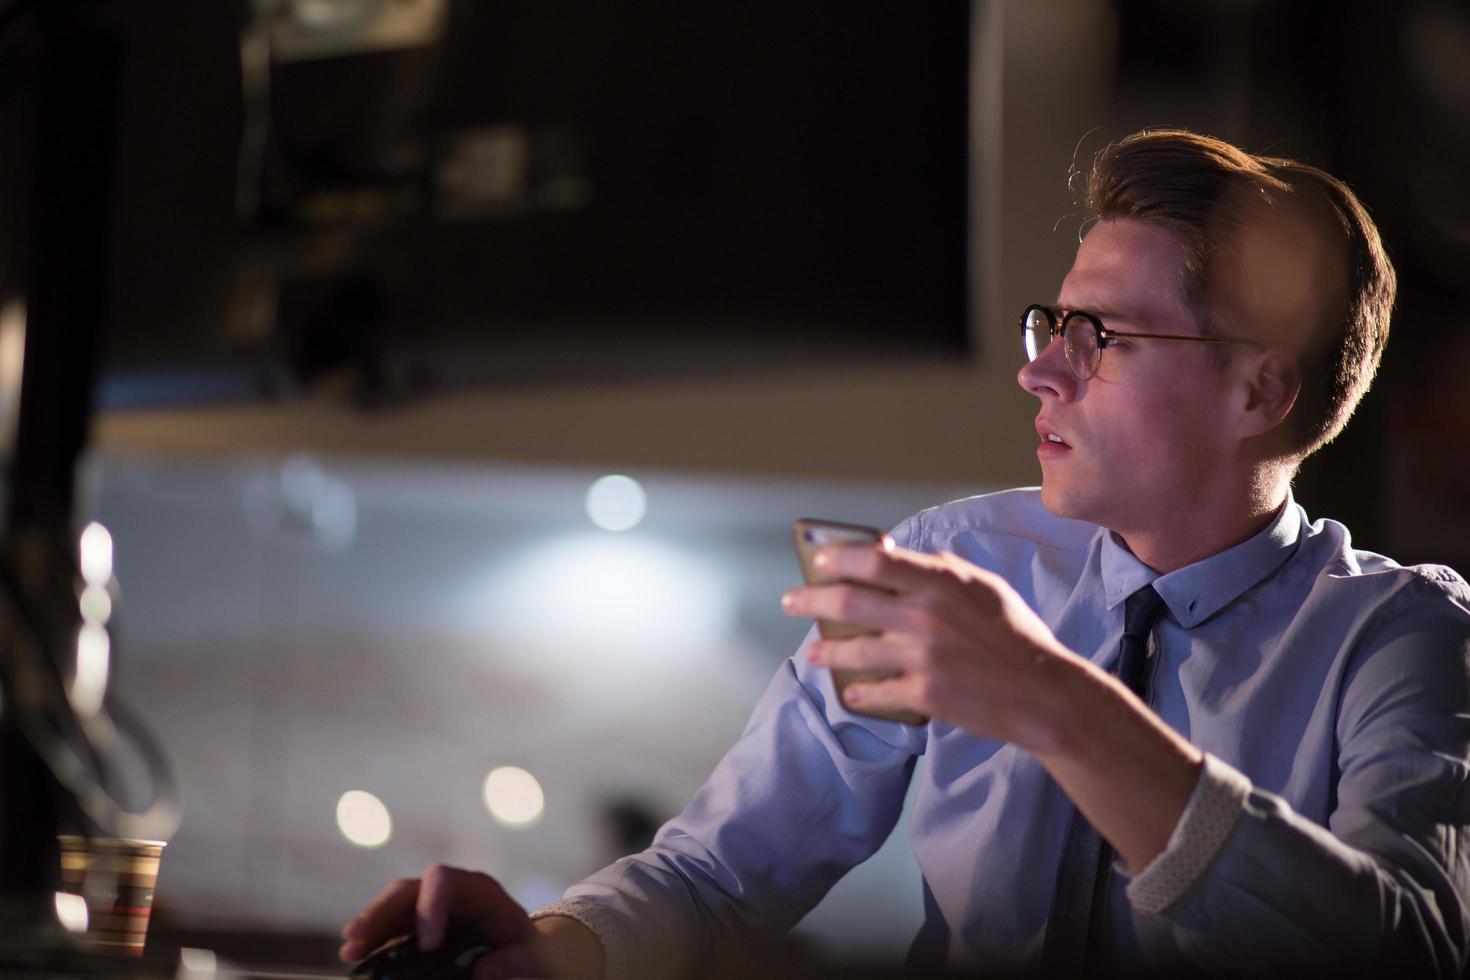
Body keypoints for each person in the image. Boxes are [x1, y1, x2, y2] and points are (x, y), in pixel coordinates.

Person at [338, 129, 1470, 978]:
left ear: (1261, 387)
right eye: (1053, 325)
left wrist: (1048, 699)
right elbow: (721, 869)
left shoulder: (1407, 634)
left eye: (1103, 338)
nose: (1040, 373)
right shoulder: (958, 556)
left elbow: (1409, 951)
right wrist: (553, 949)